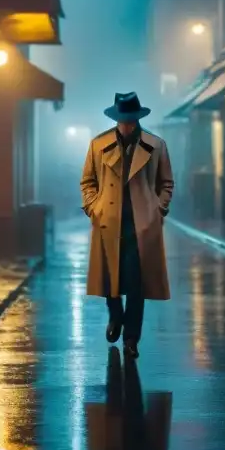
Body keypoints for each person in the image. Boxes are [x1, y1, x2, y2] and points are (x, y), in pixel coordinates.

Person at [80, 92, 174, 358]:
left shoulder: (156, 145)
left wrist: (159, 208)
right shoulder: (99, 145)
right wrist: (93, 207)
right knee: (111, 279)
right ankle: (115, 317)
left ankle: (132, 338)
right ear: (116, 120)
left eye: (130, 120)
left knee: (137, 284)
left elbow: (166, 182)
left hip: (141, 226)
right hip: (109, 222)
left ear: (137, 120)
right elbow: (88, 182)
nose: (126, 125)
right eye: (122, 120)